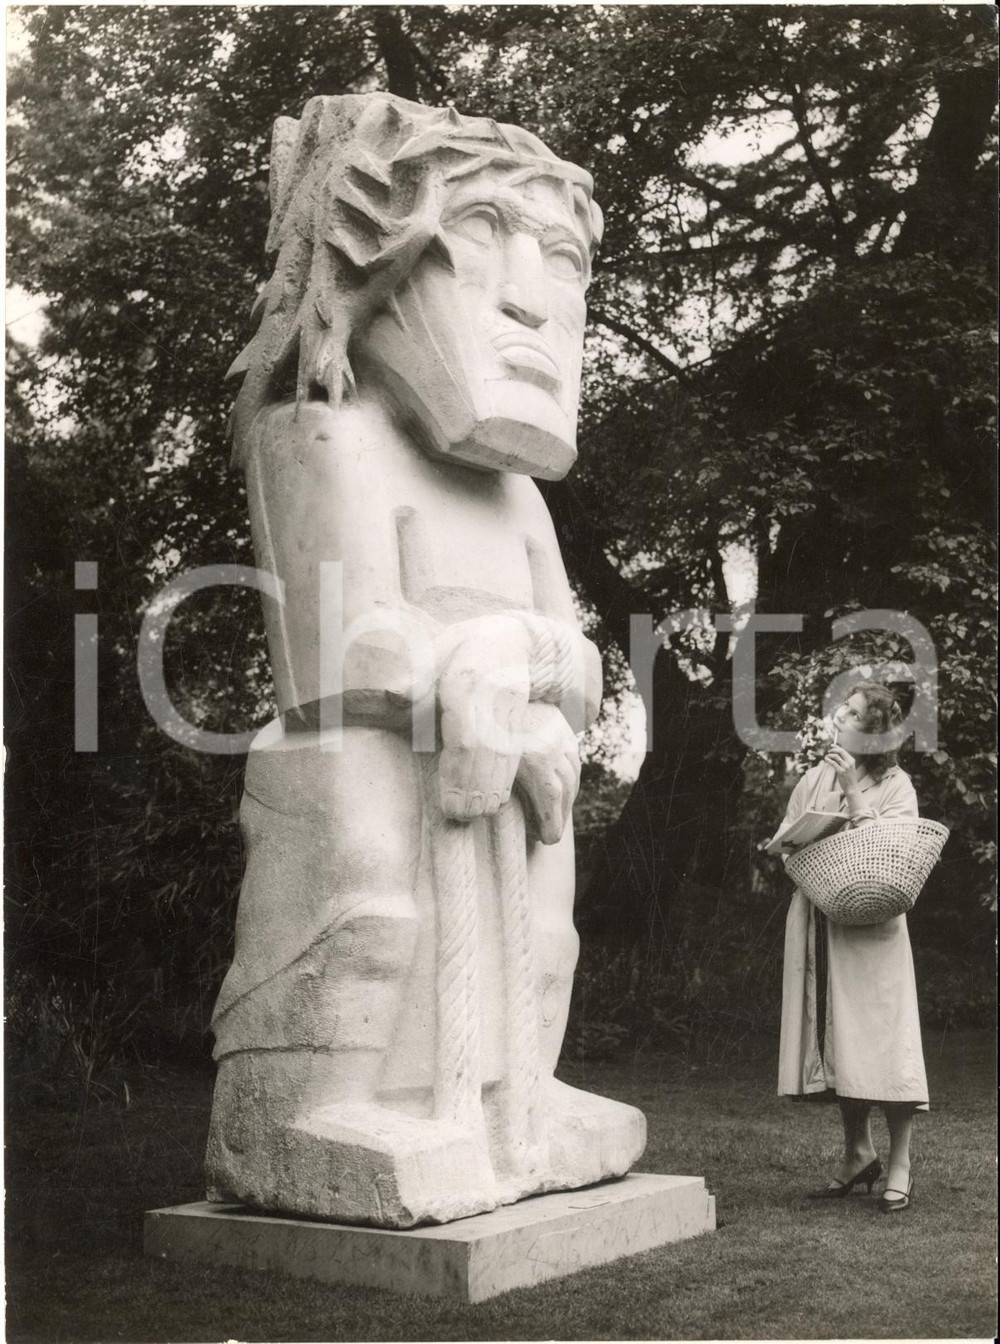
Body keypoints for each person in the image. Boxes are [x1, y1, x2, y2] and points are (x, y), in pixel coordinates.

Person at [777, 681, 927, 1214]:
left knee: (887, 1038)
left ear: (873, 731)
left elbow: (888, 850)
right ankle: (857, 1154)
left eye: (854, 710)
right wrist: (783, 843)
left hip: (877, 931)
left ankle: (901, 1163)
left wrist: (851, 785)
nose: (840, 712)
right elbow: (790, 840)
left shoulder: (897, 785)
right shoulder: (813, 778)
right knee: (844, 1040)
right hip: (825, 919)